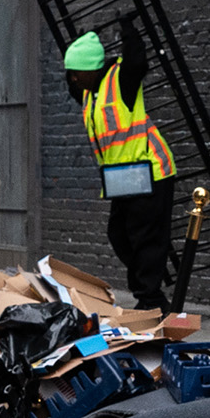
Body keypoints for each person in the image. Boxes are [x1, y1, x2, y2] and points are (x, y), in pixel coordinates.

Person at [63, 26, 176, 309]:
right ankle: (151, 278)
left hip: (149, 170)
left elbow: (137, 61)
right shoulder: (89, 93)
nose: (74, 79)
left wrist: (130, 33)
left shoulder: (122, 81)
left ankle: (151, 300)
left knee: (145, 237)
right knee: (120, 236)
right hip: (123, 179)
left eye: (77, 71)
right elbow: (73, 80)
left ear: (92, 68)